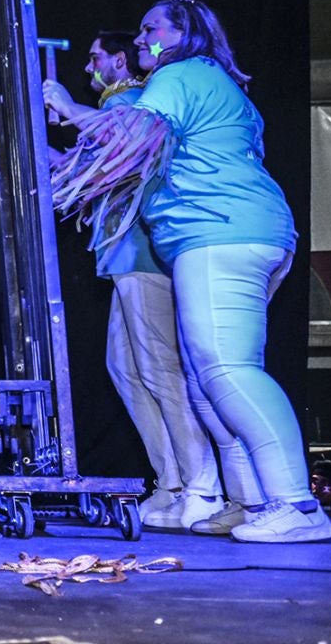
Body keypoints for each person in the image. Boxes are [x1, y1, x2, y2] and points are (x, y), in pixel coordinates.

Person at [46, 0, 331, 543]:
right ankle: (250, 502)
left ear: (184, 33)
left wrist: (71, 110)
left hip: (222, 234)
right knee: (205, 382)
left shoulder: (179, 72)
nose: (141, 39)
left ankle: (297, 504)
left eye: (151, 28)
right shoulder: (212, 81)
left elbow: (127, 139)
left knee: (227, 371)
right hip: (232, 233)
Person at [60, 31, 222, 531]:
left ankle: (202, 486)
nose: (90, 66)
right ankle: (170, 482)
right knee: (127, 370)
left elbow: (122, 139)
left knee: (159, 371)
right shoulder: (115, 106)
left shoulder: (130, 100)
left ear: (119, 59)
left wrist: (67, 107)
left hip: (143, 255)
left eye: (95, 57)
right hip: (122, 258)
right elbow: (88, 171)